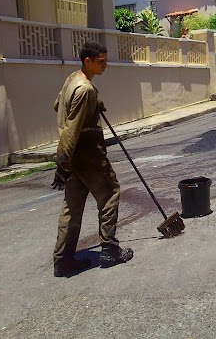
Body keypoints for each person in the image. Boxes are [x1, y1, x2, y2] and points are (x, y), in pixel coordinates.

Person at [52, 41, 133, 277]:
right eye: (101, 61)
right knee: (109, 193)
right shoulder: (85, 89)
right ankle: (109, 249)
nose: (105, 65)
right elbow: (71, 129)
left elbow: (58, 105)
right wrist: (62, 162)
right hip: (87, 153)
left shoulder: (72, 80)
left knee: (72, 207)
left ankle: (62, 260)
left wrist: (93, 106)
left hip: (74, 158)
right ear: (87, 60)